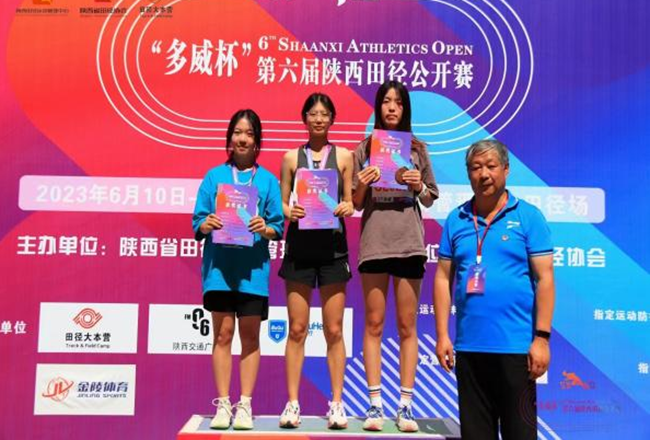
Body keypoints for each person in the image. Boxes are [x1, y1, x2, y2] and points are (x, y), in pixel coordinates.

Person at [433, 140, 555, 440]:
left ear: (506, 169)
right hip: (469, 350)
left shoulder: (528, 217)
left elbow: (545, 279)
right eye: (476, 168)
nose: (483, 174)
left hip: (517, 351)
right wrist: (442, 335)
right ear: (468, 173)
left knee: (520, 434)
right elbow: (442, 278)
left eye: (491, 166)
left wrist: (541, 338)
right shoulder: (456, 220)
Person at [352, 80, 438, 432]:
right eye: (386, 101)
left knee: (407, 326)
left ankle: (405, 405)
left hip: (408, 244)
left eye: (398, 102)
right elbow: (355, 203)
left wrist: (418, 185)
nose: (391, 107)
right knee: (373, 324)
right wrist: (363, 182)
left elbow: (430, 197)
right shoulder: (364, 148)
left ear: (405, 109)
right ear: (378, 107)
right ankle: (375, 404)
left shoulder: (417, 149)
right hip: (375, 243)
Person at [192, 109, 284, 430]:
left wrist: (264, 227)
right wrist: (207, 223)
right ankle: (222, 404)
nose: (242, 139)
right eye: (237, 132)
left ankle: (244, 404)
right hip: (219, 270)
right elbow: (198, 221)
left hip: (252, 273)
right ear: (230, 138)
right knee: (222, 335)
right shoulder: (214, 177)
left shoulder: (268, 181)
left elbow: (277, 226)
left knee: (250, 337)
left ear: (257, 141)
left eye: (249, 133)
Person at [278, 93, 354, 430]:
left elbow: (350, 201)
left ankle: (336, 403)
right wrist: (289, 212)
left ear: (332, 119)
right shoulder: (291, 158)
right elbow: (281, 203)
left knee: (334, 330)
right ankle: (292, 403)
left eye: (324, 114)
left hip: (333, 251)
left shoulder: (345, 156)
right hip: (300, 249)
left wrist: (347, 207)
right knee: (297, 329)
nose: (319, 119)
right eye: (313, 113)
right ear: (304, 119)